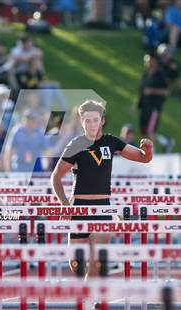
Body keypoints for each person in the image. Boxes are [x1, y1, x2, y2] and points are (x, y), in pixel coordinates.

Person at [50, 100, 153, 279]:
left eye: (95, 120)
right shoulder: (76, 144)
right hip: (79, 207)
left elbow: (144, 158)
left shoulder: (111, 141)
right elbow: (56, 176)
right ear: (81, 122)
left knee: (96, 261)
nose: (91, 124)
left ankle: (93, 299)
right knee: (77, 265)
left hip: (103, 207)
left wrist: (148, 149)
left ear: (102, 121)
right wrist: (64, 204)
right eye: (87, 120)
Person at [134, 53, 170, 139]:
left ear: (155, 61)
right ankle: (164, 142)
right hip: (145, 108)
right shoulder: (146, 74)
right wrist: (136, 105)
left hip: (154, 108)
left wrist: (152, 91)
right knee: (143, 131)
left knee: (150, 131)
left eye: (149, 61)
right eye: (146, 61)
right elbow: (141, 91)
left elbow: (166, 91)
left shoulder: (160, 74)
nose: (147, 63)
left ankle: (153, 151)